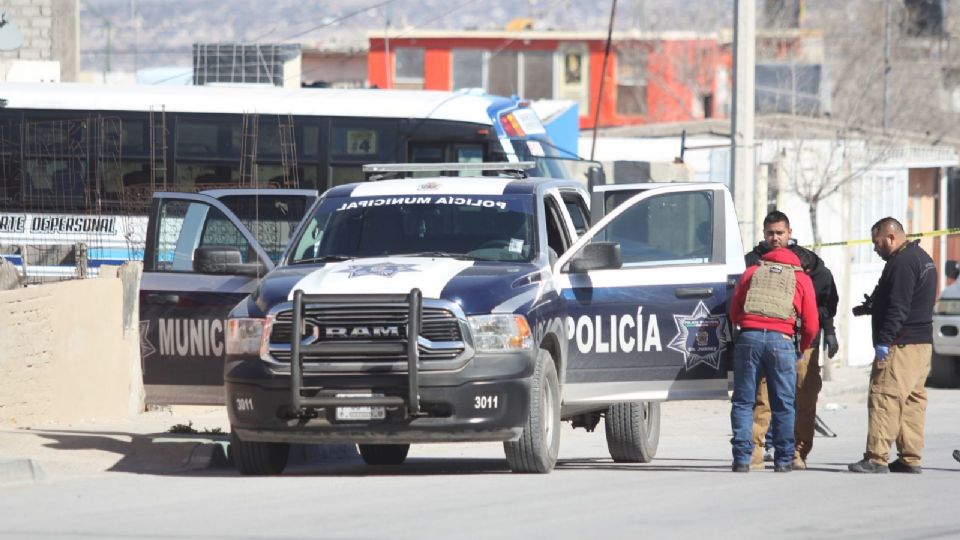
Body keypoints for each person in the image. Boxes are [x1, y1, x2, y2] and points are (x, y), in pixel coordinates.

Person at [745, 211, 840, 470]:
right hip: (767, 339)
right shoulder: (754, 261)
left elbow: (827, 297)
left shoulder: (807, 261)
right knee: (762, 398)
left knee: (803, 397)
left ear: (790, 232)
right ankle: (754, 452)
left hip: (802, 341)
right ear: (764, 234)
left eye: (780, 233)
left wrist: (828, 329)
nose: (775, 238)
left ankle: (798, 453)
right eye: (770, 233)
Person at [848, 217, 936, 474]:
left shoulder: (903, 263)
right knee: (911, 401)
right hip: (921, 345)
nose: (875, 249)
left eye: (877, 243)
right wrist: (871, 307)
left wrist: (885, 340)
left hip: (901, 344)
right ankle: (910, 458)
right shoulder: (921, 257)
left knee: (884, 396)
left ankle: (876, 457)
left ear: (891, 238)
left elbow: (899, 306)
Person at [729, 246, 819, 473]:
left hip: (749, 337)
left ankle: (742, 458)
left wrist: (750, 325)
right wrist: (802, 346)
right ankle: (783, 459)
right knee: (784, 404)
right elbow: (811, 323)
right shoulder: (801, 278)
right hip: (782, 341)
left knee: (743, 401)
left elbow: (734, 310)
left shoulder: (751, 272)